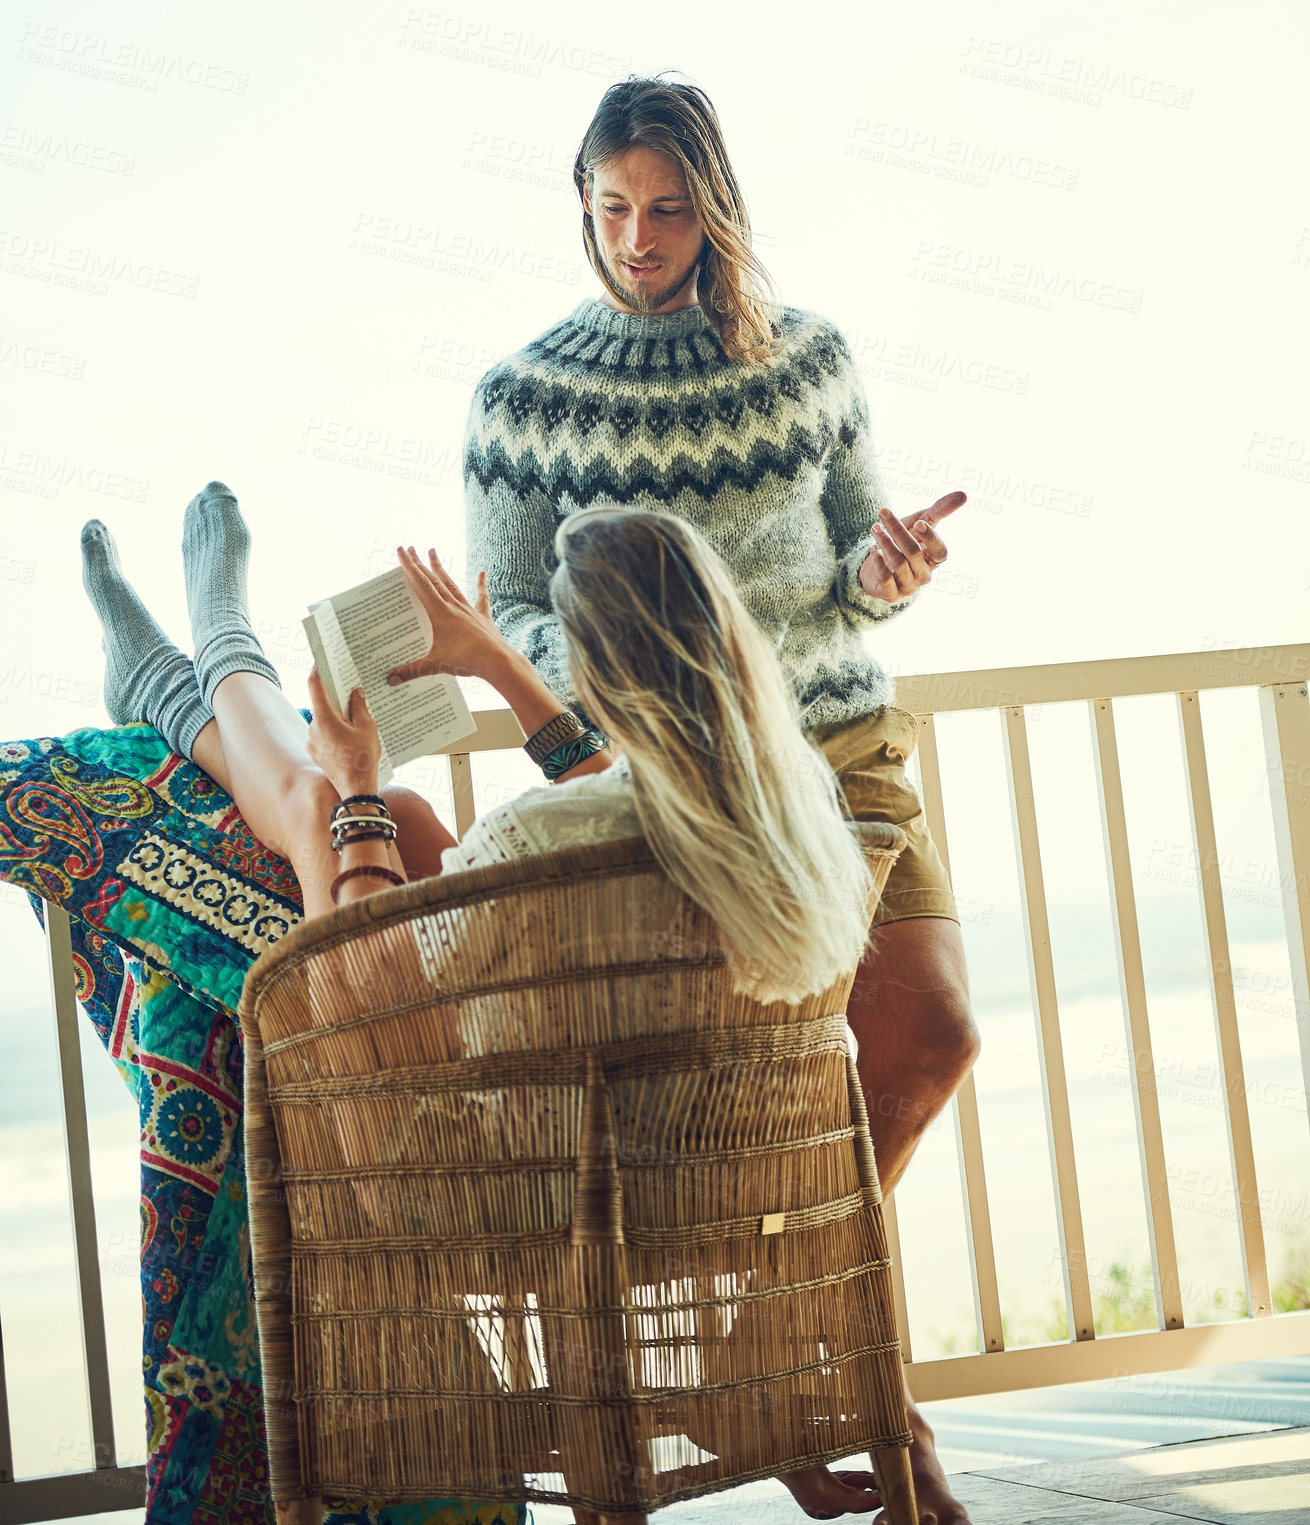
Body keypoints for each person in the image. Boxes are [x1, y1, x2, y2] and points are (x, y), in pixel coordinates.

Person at [80, 484, 896, 1509]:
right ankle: (188, 674)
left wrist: (360, 791)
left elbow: (356, 979)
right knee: (395, 812)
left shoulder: (530, 845)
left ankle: (200, 668)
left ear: (595, 670)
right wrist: (500, 669)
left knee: (316, 809)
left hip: (495, 1195)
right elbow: (632, 805)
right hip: (716, 1188)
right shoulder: (800, 828)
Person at [464, 75, 978, 1524]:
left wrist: (889, 575)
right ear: (581, 202)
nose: (639, 237)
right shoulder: (519, 401)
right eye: (613, 208)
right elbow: (513, 604)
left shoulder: (808, 360)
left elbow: (848, 574)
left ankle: (765, 1337)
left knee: (931, 1037)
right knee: (762, 1108)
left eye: (669, 208)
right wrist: (629, 715)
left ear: (716, 204)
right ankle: (873, 1418)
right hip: (686, 790)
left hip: (842, 751)